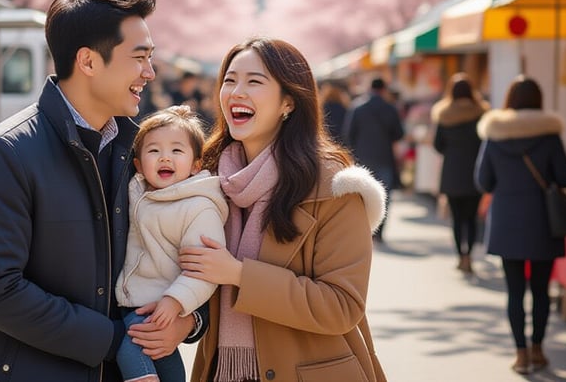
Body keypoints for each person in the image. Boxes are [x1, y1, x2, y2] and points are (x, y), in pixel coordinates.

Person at [0, 0, 204, 382]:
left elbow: (175, 248)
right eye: (139, 57)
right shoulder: (4, 153)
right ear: (88, 61)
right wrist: (112, 340)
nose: (150, 72)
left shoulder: (138, 153)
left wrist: (189, 319)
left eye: (150, 58)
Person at [178, 37, 389, 382]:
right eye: (230, 80)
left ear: (288, 102)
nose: (237, 92)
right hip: (222, 372)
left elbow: (342, 306)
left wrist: (239, 274)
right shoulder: (206, 180)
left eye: (254, 82)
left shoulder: (334, 187)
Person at [116, 105, 229, 382]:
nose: (165, 157)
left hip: (160, 305)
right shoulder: (137, 192)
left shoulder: (199, 207)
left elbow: (204, 270)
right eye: (154, 151)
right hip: (134, 301)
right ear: (138, 166)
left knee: (132, 344)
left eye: (177, 151)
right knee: (165, 359)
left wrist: (175, 301)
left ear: (195, 165)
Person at [475, 75, 566, 375]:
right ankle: (538, 349)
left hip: (507, 220)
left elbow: (483, 181)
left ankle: (520, 354)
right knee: (541, 290)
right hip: (543, 219)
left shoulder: (495, 133)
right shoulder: (549, 134)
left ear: (510, 100)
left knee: (514, 291)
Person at [431, 72, 489, 274]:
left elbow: (437, 145)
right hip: (474, 172)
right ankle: (469, 255)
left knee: (456, 218)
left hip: (452, 173)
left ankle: (460, 256)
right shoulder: (481, 113)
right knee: (471, 218)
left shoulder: (444, 114)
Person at [342, 76, 404, 241]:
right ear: (383, 90)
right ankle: (379, 231)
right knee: (384, 196)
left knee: (362, 196)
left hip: (362, 159)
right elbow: (399, 134)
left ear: (370, 88)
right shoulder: (390, 108)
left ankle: (364, 230)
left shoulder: (357, 107)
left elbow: (348, 135)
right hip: (384, 157)